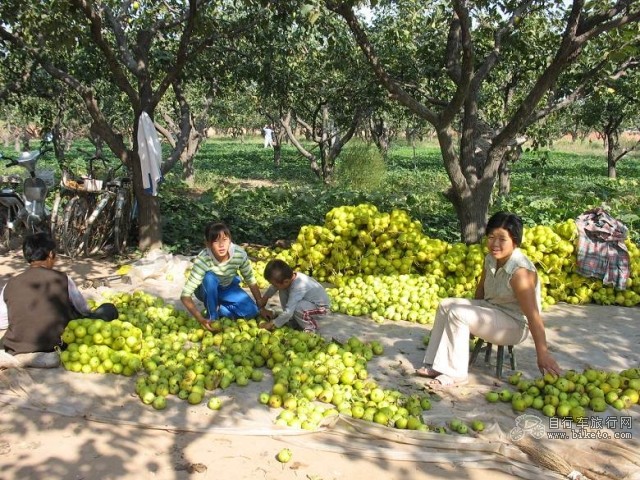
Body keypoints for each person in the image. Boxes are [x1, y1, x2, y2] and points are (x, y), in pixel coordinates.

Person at [416, 211, 561, 388]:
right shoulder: (490, 259)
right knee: (446, 305)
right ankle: (436, 364)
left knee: (458, 313)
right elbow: (481, 290)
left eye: (502, 239)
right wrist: (470, 320)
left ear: (515, 241)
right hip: (491, 309)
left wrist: (543, 353)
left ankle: (455, 375)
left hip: (514, 324)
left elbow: (533, 316)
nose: (495, 244)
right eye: (491, 237)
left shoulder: (520, 272)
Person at [0, 232, 119, 369]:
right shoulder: (62, 279)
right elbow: (84, 310)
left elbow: (2, 322)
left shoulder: (10, 284)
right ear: (51, 254)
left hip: (17, 347)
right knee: (108, 308)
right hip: (58, 343)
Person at [181, 222, 268, 331]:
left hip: (227, 287)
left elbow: (250, 280)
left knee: (252, 312)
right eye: (216, 241)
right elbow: (185, 295)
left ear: (230, 240)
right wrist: (200, 319)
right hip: (206, 289)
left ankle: (221, 310)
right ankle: (212, 317)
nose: (221, 245)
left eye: (225, 239)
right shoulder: (203, 260)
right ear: (207, 244)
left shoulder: (239, 254)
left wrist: (261, 307)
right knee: (209, 277)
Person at [257, 259, 330, 333]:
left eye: (274, 284)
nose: (273, 286)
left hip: (321, 309)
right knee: (282, 289)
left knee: (297, 307)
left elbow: (288, 311)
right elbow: (274, 287)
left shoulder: (299, 286)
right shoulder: (289, 278)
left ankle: (310, 328)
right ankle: (292, 320)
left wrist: (271, 324)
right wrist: (265, 298)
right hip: (308, 303)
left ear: (286, 281)